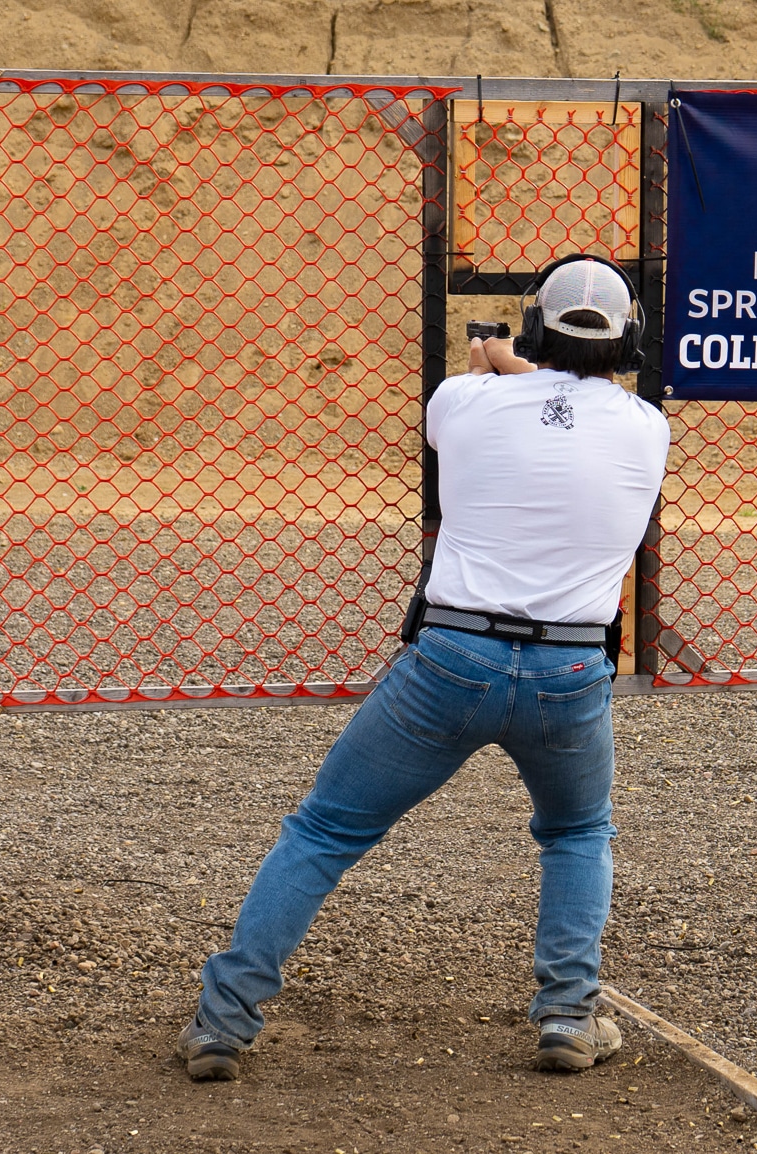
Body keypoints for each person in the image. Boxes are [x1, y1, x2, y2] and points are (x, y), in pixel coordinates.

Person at [176, 255, 671, 1080]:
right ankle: (567, 1015)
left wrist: (493, 360)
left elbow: (523, 403)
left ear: (536, 327)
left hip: (452, 659)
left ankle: (222, 1025)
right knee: (577, 834)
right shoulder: (646, 427)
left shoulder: (462, 401)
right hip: (570, 672)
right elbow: (571, 406)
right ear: (629, 340)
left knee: (324, 832)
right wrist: (514, 365)